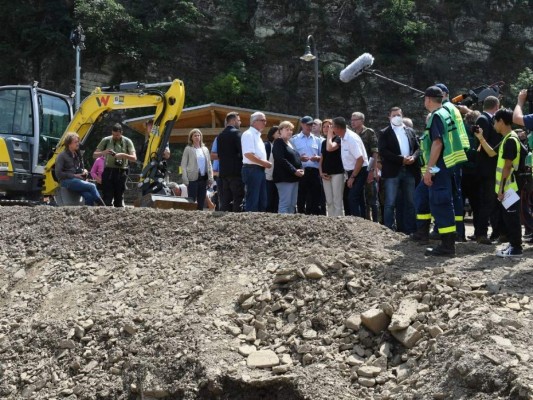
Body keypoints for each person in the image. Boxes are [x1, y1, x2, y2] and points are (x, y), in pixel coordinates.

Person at [412, 86, 466, 256]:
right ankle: (446, 243)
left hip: (439, 167)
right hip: (447, 165)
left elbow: (438, 144)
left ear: (428, 99)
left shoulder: (436, 116)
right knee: (441, 202)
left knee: (441, 203)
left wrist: (429, 170)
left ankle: (447, 246)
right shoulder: (446, 113)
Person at [378, 107, 420, 234]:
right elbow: (383, 151)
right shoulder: (384, 132)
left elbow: (418, 148)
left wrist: (413, 157)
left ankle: (410, 229)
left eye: (399, 115)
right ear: (389, 117)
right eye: (394, 115)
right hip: (393, 171)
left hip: (409, 170)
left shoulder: (410, 131)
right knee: (390, 202)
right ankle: (388, 229)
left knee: (410, 202)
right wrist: (400, 160)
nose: (397, 117)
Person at [490, 108, 523, 257]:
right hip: (509, 187)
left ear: (501, 122)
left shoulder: (510, 139)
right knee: (509, 218)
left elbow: (507, 166)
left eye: (495, 122)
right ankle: (512, 245)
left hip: (510, 187)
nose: (494, 125)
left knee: (512, 218)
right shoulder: (509, 137)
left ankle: (516, 248)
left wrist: (501, 189)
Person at [475, 96, 501, 244]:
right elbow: (481, 143)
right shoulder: (483, 119)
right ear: (496, 106)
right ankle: (481, 233)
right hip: (487, 167)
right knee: (487, 201)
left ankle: (495, 232)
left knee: (493, 202)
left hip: (493, 166)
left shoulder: (487, 118)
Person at [330, 117, 368, 217]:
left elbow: (360, 159)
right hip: (352, 171)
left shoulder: (351, 138)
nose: (331, 129)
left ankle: (358, 222)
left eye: (332, 126)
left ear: (337, 128)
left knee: (353, 197)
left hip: (359, 170)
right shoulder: (343, 137)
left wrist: (352, 177)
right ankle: (362, 221)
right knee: (356, 198)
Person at [93, 123, 137, 207]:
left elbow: (134, 158)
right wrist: (104, 152)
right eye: (113, 134)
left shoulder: (127, 141)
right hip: (108, 171)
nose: (115, 136)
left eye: (117, 135)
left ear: (121, 133)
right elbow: (94, 155)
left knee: (119, 199)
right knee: (107, 198)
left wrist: (122, 155)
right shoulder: (106, 140)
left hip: (121, 172)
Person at [56, 132, 104, 206]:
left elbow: (82, 168)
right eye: (75, 142)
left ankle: (90, 214)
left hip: (78, 181)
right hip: (66, 181)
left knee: (89, 196)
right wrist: (75, 175)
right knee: (92, 186)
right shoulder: (62, 156)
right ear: (69, 144)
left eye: (78, 142)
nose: (78, 144)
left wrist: (84, 171)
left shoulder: (78, 155)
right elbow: (58, 174)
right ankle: (103, 207)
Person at [290, 115, 323, 215]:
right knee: (301, 195)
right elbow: (291, 156)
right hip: (302, 170)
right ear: (302, 125)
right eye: (307, 124)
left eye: (311, 124)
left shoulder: (318, 140)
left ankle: (313, 215)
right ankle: (301, 214)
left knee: (315, 195)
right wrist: (300, 158)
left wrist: (317, 158)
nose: (310, 127)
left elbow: (323, 156)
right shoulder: (294, 139)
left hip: (314, 171)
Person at [351, 111, 379, 221]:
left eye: (355, 119)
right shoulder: (352, 134)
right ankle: (365, 220)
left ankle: (376, 222)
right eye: (352, 120)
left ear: (362, 120)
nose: (353, 122)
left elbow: (374, 152)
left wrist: (372, 170)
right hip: (356, 169)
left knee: (372, 198)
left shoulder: (369, 132)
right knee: (360, 197)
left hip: (368, 167)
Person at [241, 112, 271, 212]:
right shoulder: (248, 134)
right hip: (252, 170)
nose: (265, 122)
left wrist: (263, 164)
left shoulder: (257, 136)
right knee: (253, 200)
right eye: (263, 120)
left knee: (262, 200)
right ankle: (250, 225)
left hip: (259, 170)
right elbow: (248, 154)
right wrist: (264, 163)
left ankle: (258, 224)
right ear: (254, 122)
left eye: (265, 120)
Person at [272, 121, 304, 213]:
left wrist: (302, 170)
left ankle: (290, 226)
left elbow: (297, 158)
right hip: (284, 178)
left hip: (294, 178)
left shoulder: (291, 143)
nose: (290, 132)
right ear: (280, 131)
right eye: (287, 129)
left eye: (291, 130)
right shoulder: (278, 142)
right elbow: (280, 159)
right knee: (285, 203)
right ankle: (282, 226)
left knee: (292, 204)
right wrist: (294, 171)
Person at [218, 112, 245, 212]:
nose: (240, 122)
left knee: (226, 198)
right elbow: (242, 153)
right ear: (233, 120)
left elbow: (220, 154)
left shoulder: (220, 135)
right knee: (238, 197)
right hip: (236, 171)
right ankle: (236, 220)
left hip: (224, 172)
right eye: (238, 120)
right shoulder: (237, 133)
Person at [181, 129, 213, 210]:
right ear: (191, 137)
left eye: (198, 135)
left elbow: (209, 164)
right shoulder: (188, 149)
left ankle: (200, 217)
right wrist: (184, 178)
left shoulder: (205, 149)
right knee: (192, 200)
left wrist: (211, 178)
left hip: (203, 178)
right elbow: (183, 164)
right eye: (195, 136)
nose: (197, 137)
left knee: (201, 200)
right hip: (192, 178)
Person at [320, 119, 344, 217]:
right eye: (324, 126)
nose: (326, 128)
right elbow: (322, 159)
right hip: (326, 173)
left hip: (337, 172)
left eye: (329, 126)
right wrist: (321, 172)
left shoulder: (338, 139)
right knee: (329, 201)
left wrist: (330, 134)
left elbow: (331, 147)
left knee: (337, 200)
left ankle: (339, 221)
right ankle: (331, 221)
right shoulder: (323, 142)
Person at [264, 126, 280, 213]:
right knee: (269, 201)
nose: (280, 135)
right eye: (278, 133)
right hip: (268, 177)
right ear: (272, 134)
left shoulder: (281, 146)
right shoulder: (267, 145)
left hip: (278, 178)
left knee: (276, 201)